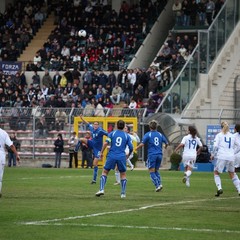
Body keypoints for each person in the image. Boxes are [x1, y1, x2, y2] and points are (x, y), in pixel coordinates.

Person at [95, 120, 133, 198]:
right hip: (121, 156)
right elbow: (131, 147)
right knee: (123, 174)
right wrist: (128, 155)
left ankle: (101, 189)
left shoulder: (112, 133)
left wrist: (101, 152)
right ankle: (123, 193)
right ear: (124, 126)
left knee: (105, 172)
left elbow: (106, 143)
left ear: (116, 125)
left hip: (112, 155)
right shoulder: (127, 136)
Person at [135, 120, 168, 192]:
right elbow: (166, 143)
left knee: (151, 171)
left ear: (150, 127)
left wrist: (136, 148)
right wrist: (165, 147)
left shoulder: (148, 134)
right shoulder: (160, 134)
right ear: (156, 127)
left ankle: (157, 185)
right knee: (156, 170)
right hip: (159, 154)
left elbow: (142, 143)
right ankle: (160, 183)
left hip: (152, 154)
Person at [74, 115, 108, 184]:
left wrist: (109, 140)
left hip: (98, 149)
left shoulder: (100, 130)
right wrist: (82, 118)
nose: (95, 125)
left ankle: (94, 180)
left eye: (96, 124)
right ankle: (76, 150)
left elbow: (108, 134)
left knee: (95, 163)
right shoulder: (92, 128)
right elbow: (87, 123)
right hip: (92, 143)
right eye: (94, 124)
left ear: (98, 125)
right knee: (81, 139)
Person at [210, 121, 240, 197]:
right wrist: (233, 153)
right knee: (232, 174)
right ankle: (239, 190)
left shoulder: (219, 135)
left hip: (222, 156)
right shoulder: (232, 136)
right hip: (231, 157)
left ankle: (219, 188)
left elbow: (215, 146)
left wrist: (212, 154)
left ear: (221, 127)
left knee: (216, 173)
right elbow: (239, 146)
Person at [0, 128, 20, 198]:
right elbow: (11, 145)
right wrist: (17, 154)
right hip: (1, 155)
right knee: (0, 176)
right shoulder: (3, 133)